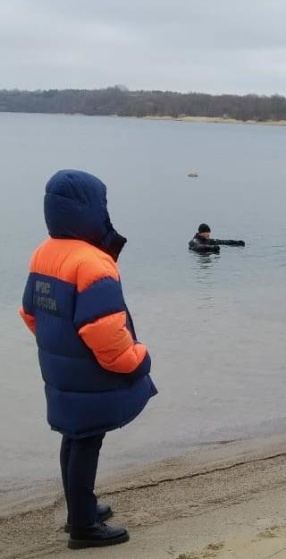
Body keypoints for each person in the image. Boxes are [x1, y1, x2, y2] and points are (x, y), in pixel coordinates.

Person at [19, 169, 156, 550]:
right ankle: (83, 526)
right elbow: (106, 334)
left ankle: (81, 507)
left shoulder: (43, 253)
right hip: (90, 369)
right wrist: (138, 360)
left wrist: (59, 347)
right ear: (90, 209)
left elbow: (30, 312)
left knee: (74, 436)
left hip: (61, 367)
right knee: (87, 441)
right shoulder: (93, 263)